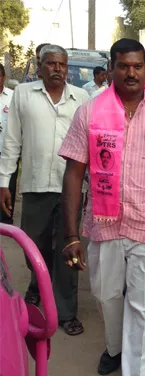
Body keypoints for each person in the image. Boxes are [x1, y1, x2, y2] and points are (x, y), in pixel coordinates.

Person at [57, 39, 145, 376]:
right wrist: (71, 235)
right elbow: (73, 172)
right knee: (106, 294)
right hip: (104, 223)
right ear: (112, 69)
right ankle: (114, 347)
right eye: (123, 65)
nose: (131, 72)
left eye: (138, 66)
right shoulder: (90, 111)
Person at [0, 44, 89, 335]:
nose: (58, 69)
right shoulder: (24, 96)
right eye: (51, 64)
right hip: (35, 184)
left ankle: (65, 312)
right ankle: (39, 283)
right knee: (33, 247)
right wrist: (4, 181)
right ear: (40, 66)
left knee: (67, 249)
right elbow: (12, 141)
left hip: (70, 188)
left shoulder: (81, 98)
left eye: (62, 64)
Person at [0, 63, 15, 224]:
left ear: (3, 77)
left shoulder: (12, 97)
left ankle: (6, 217)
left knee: (8, 184)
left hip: (7, 149)